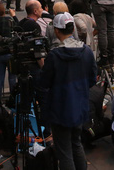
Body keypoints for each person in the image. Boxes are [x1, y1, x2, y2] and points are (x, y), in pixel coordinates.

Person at [40, 13, 97, 170]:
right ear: (72, 29)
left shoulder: (54, 55)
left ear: (57, 31)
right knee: (76, 143)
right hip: (80, 107)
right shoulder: (86, 51)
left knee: (64, 151)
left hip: (61, 109)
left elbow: (44, 82)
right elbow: (93, 79)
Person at [0, 3, 18, 104]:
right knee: (12, 77)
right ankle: (13, 99)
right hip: (9, 51)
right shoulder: (9, 20)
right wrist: (13, 15)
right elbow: (17, 27)